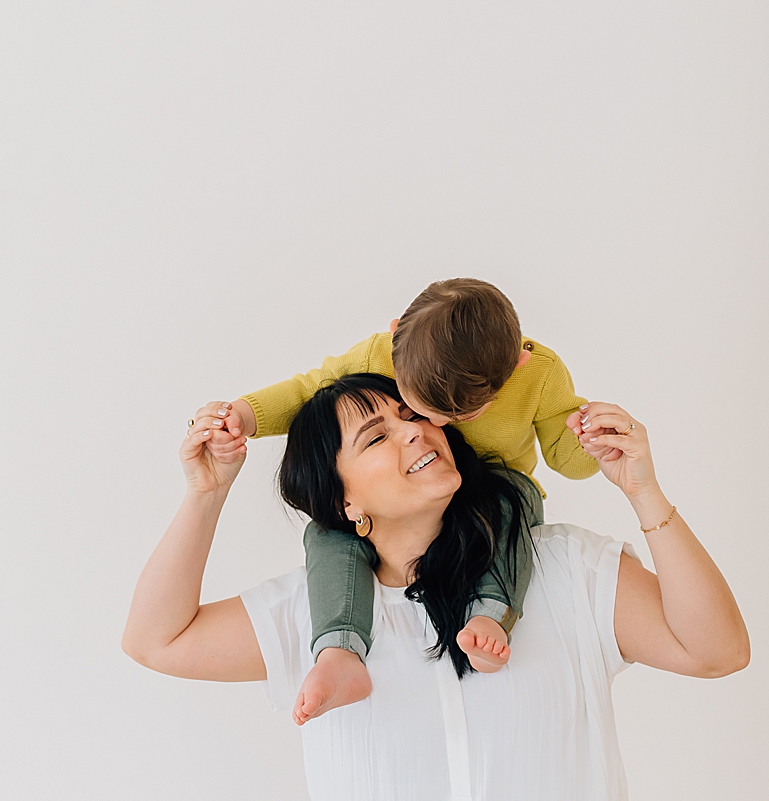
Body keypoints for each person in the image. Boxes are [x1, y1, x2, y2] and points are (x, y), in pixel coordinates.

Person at [123, 375, 748, 801]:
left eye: (414, 416)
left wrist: (643, 491)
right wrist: (206, 494)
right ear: (343, 501)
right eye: (376, 437)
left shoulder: (562, 567)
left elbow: (716, 650)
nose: (414, 433)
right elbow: (157, 640)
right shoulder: (310, 617)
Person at [195, 278, 604, 722]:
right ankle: (339, 649)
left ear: (517, 366)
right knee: (326, 535)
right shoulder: (378, 355)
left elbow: (566, 454)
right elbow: (306, 390)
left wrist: (591, 440)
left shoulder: (539, 375)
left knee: (514, 498)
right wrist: (243, 415)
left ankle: (492, 613)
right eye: (417, 406)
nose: (432, 424)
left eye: (459, 414)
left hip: (495, 491)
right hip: (417, 493)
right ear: (395, 340)